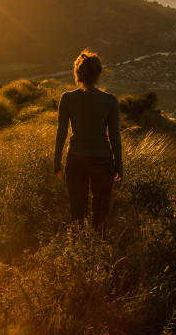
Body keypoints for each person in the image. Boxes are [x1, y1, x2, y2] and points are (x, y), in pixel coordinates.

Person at [54, 49, 122, 235]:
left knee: (78, 210)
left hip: (76, 159)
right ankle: (98, 252)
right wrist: (119, 166)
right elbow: (115, 135)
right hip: (103, 161)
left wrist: (56, 164)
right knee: (101, 212)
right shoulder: (110, 101)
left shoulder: (67, 99)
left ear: (77, 74)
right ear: (98, 74)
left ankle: (78, 249)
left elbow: (61, 133)